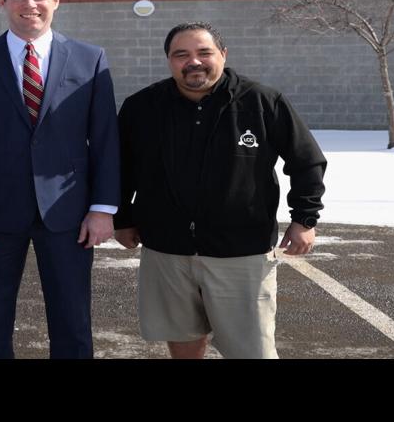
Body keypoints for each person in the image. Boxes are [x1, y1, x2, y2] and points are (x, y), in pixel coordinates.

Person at [113, 22, 327, 359]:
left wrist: (305, 218)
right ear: (169, 60)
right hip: (167, 251)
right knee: (182, 339)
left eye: (204, 53)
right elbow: (122, 168)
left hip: (241, 251)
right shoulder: (142, 107)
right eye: (181, 54)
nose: (193, 62)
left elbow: (307, 162)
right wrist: (123, 216)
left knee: (252, 350)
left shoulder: (261, 102)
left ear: (223, 55)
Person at [0, 0, 120, 359]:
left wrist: (103, 208)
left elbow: (106, 139)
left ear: (56, 0)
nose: (30, 5)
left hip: (69, 213)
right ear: (2, 0)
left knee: (73, 322)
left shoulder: (90, 59)